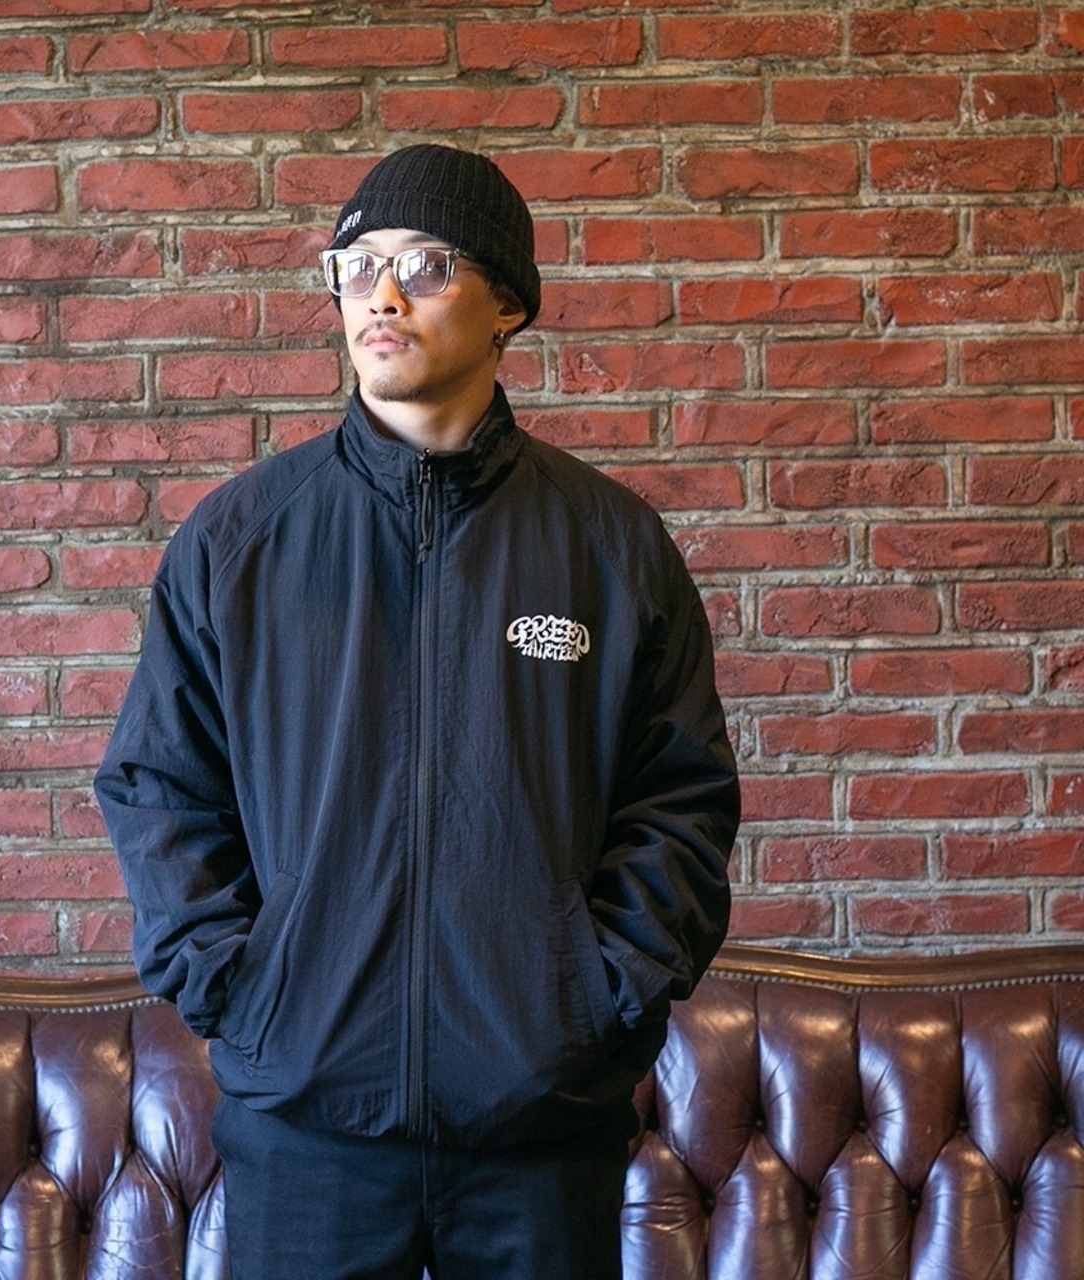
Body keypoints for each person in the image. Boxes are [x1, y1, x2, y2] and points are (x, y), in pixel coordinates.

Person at [94, 143, 739, 1280]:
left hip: (542, 1136)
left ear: (508, 305)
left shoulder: (610, 548)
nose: (381, 296)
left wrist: (593, 1001)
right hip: (307, 1134)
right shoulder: (238, 543)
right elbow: (158, 787)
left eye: (426, 265)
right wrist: (246, 992)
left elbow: (679, 799)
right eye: (356, 266)